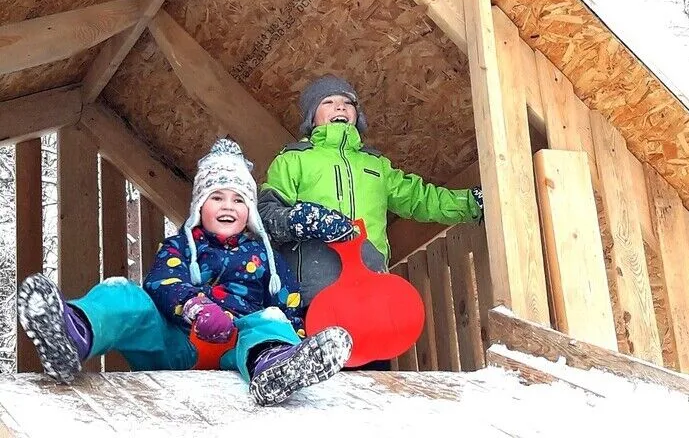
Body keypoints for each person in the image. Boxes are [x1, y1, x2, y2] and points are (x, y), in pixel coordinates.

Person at [17, 138, 352, 406]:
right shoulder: (180, 246)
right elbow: (161, 283)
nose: (228, 205)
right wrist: (194, 306)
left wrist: (296, 338)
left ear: (249, 211)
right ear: (199, 206)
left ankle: (275, 368)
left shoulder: (266, 257)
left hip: (236, 347)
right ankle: (72, 334)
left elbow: (288, 304)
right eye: (217, 197)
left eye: (238, 200)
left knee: (270, 321)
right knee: (124, 294)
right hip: (177, 342)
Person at [257, 75, 483, 369]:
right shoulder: (293, 160)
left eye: (347, 102)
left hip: (372, 290)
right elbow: (267, 214)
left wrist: (470, 203)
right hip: (316, 293)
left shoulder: (376, 165)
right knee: (325, 378)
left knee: (373, 375)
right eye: (328, 102)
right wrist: (305, 219)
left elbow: (420, 198)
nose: (340, 107)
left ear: (357, 114)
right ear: (312, 117)